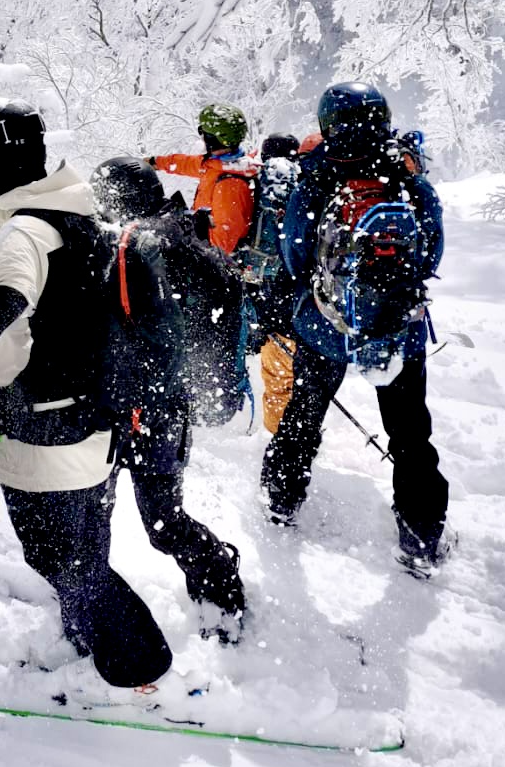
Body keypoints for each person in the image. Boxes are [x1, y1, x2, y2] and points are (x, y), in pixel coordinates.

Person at [0, 104, 171, 689]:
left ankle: (137, 665)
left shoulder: (21, 232)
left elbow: (5, 331)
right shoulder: (85, 220)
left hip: (40, 435)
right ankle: (88, 649)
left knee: (60, 560)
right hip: (97, 425)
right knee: (87, 550)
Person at [260, 83, 452, 575]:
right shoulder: (407, 177)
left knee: (304, 414)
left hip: (327, 327)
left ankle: (281, 499)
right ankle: (421, 536)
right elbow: (431, 253)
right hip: (397, 328)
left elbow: (296, 255)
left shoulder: (316, 177)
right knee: (410, 432)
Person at [90, 157, 246, 641]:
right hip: (166, 406)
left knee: (99, 517)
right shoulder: (184, 232)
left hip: (136, 407)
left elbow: (135, 330)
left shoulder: (138, 244)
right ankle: (222, 596)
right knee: (163, 520)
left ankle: (93, 615)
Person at [240, 134, 301, 436]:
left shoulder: (257, 181)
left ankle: (278, 435)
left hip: (263, 283)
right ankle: (299, 432)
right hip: (299, 289)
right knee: (300, 370)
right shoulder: (305, 184)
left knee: (276, 372)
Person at [148, 104, 257, 255]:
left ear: (213, 139)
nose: (202, 137)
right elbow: (186, 163)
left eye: (203, 132)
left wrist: (188, 233)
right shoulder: (220, 164)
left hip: (214, 261)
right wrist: (154, 162)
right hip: (202, 242)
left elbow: (222, 244)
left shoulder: (230, 185)